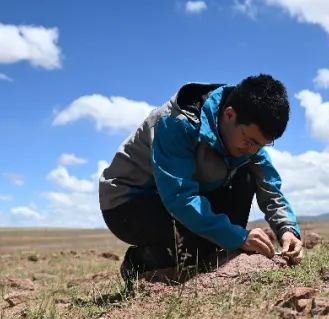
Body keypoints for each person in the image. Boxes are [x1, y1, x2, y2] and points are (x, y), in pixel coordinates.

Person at [99, 74, 304, 285]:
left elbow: (270, 186)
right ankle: (139, 262)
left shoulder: (248, 139)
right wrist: (238, 236)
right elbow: (180, 197)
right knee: (199, 243)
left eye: (260, 145)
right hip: (128, 203)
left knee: (245, 179)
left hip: (174, 199)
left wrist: (287, 229)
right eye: (249, 141)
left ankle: (214, 252)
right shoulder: (175, 122)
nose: (252, 150)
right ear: (229, 115)